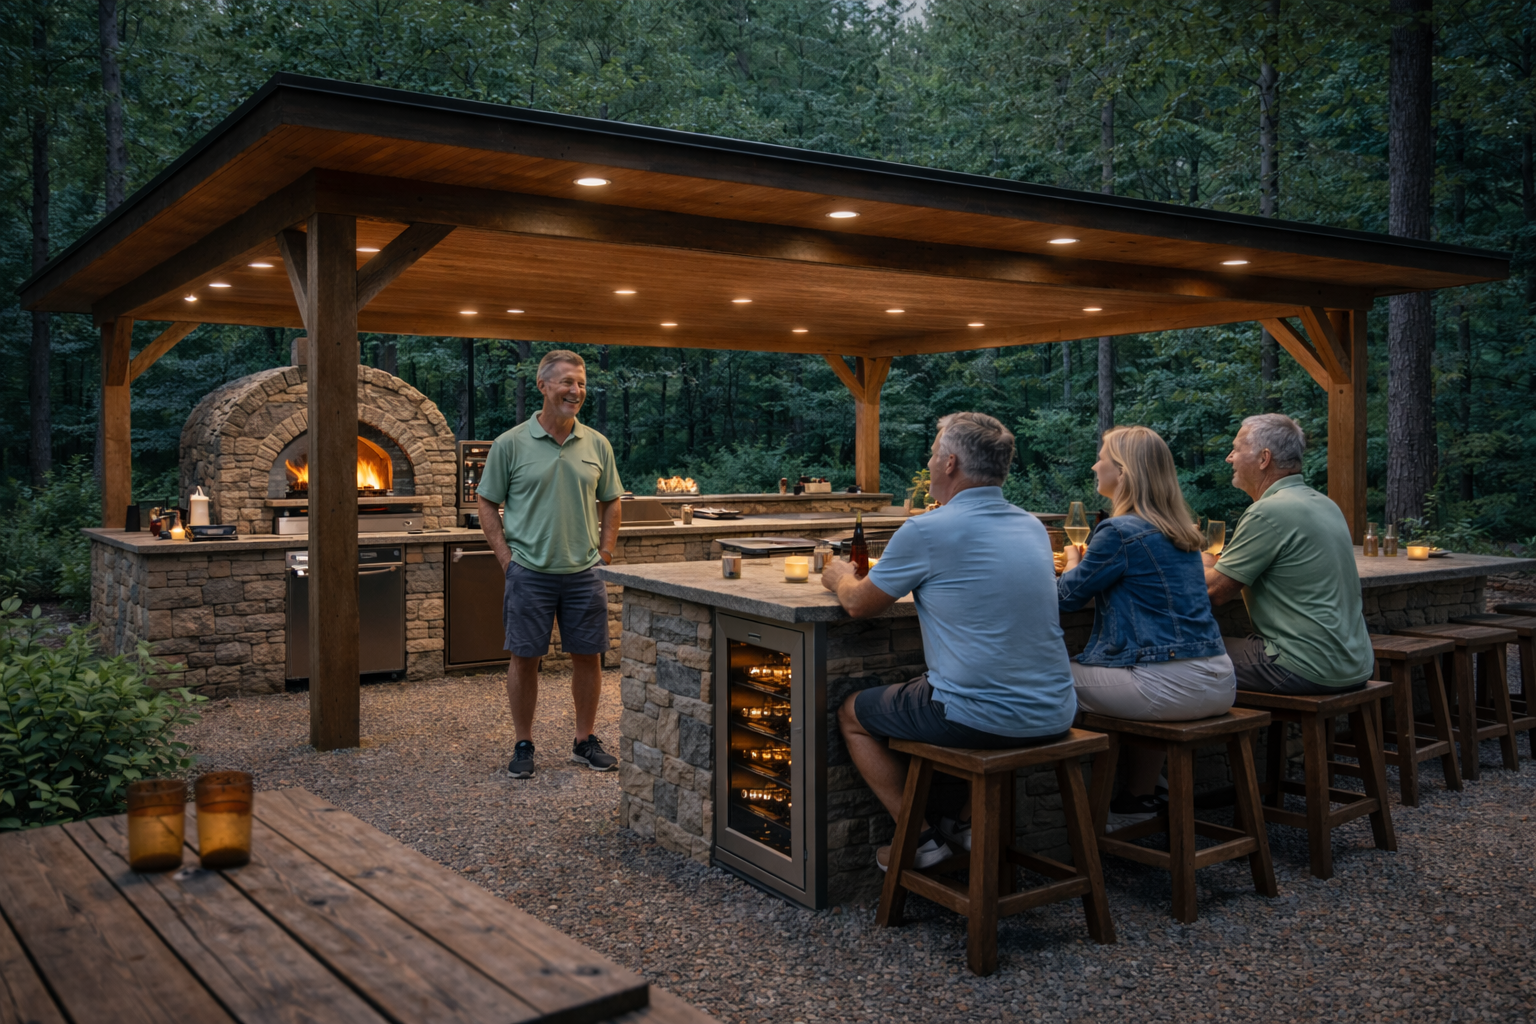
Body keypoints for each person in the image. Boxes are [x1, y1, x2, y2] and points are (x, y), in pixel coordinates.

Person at [823, 412, 1076, 871]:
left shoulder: (926, 530)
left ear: (950, 464)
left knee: (852, 714)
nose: (931, 459)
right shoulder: (1033, 527)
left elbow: (860, 604)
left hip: (978, 716)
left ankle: (919, 840)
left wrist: (838, 574)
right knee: (947, 690)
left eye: (935, 452)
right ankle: (963, 824)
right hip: (1055, 710)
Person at [1057, 426, 1235, 825]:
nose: (1094, 464)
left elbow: (1066, 599)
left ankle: (1064, 820)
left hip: (1170, 688)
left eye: (1101, 456)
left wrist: (1071, 561)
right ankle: (1140, 795)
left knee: (1044, 679)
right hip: (1220, 681)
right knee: (1137, 672)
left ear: (1122, 471)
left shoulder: (1118, 531)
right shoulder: (1183, 532)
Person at [476, 350, 624, 779]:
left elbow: (612, 500)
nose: (574, 391)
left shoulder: (597, 443)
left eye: (579, 383)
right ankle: (523, 743)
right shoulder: (510, 444)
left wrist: (606, 553)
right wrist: (507, 559)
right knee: (524, 658)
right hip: (530, 573)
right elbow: (487, 502)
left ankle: (584, 741)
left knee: (588, 657)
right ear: (543, 387)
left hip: (584, 573)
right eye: (565, 382)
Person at [1205, 413, 1374, 696]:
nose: (1229, 457)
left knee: (1182, 654)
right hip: (1355, 663)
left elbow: (1215, 591)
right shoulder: (1325, 504)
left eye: (1236, 448)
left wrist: (1193, 557)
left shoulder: (1268, 511)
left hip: (1301, 666)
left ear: (1263, 458)